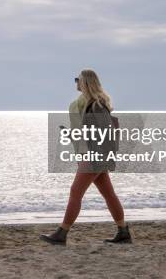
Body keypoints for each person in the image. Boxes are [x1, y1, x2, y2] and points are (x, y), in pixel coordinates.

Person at [40, 69, 132, 245]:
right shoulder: (93, 104)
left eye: (78, 79)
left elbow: (105, 133)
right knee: (109, 194)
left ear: (86, 83)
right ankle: (123, 232)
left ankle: (61, 234)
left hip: (94, 157)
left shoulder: (96, 105)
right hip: (95, 155)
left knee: (75, 192)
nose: (76, 82)